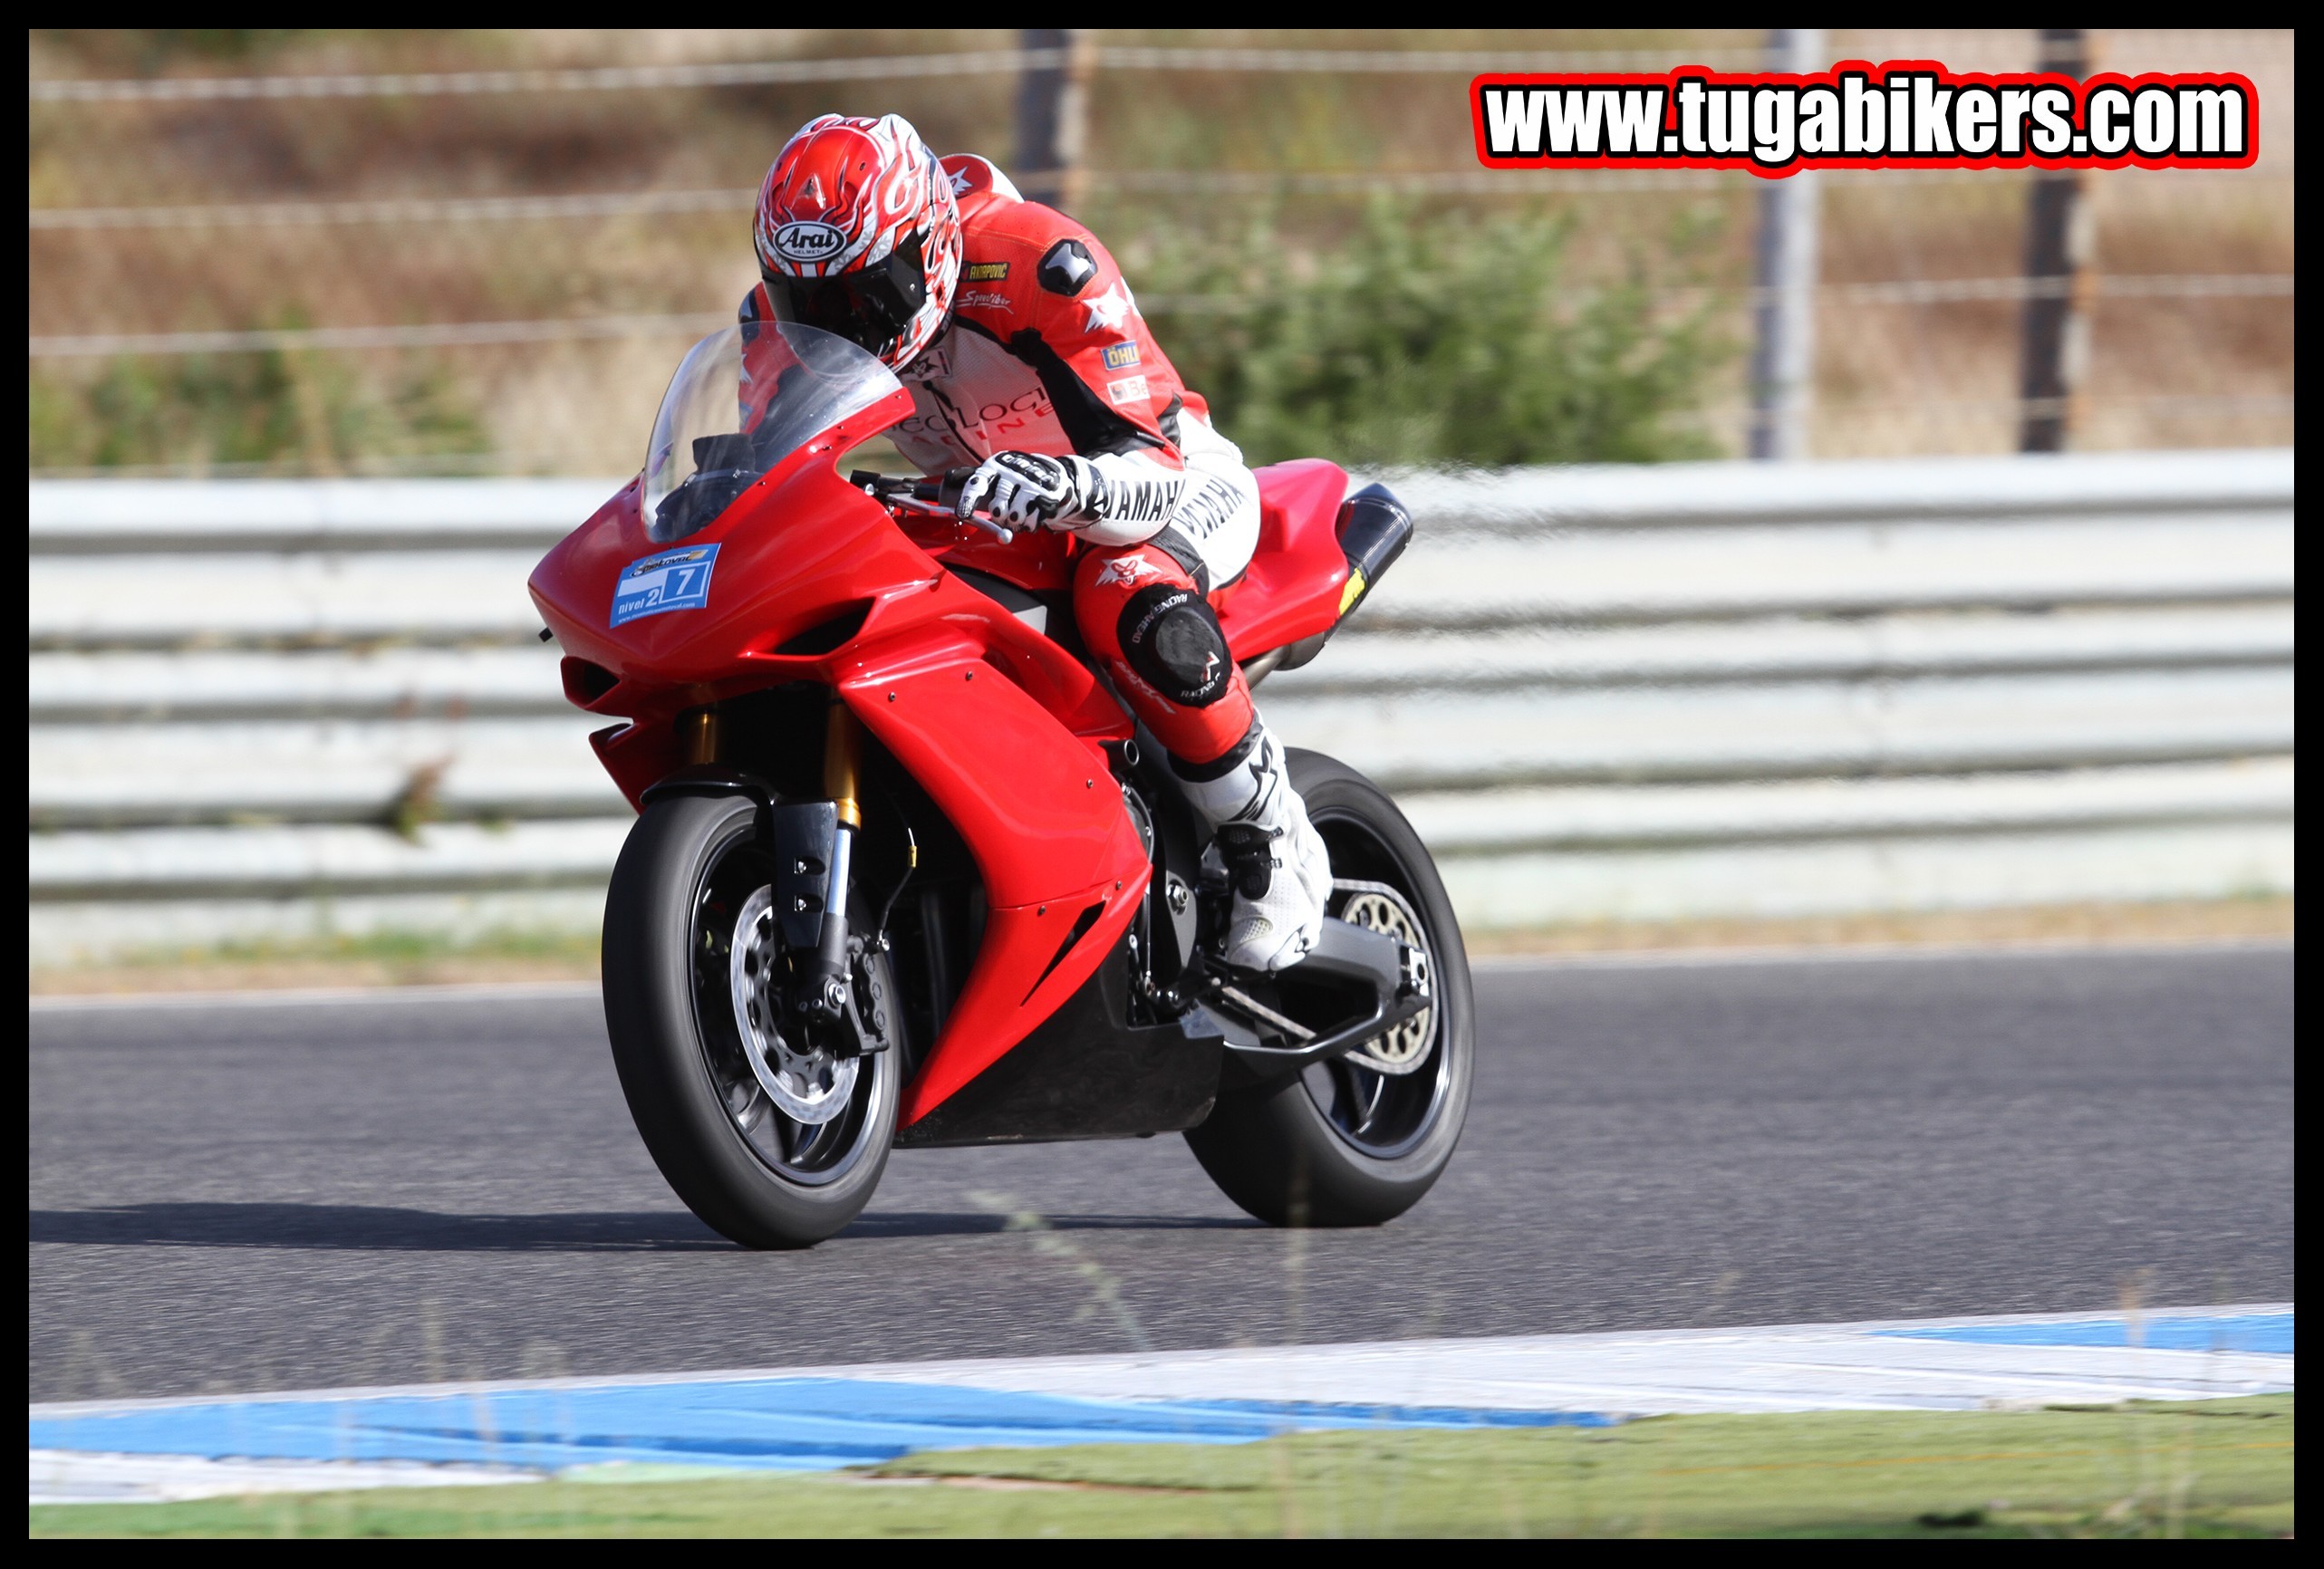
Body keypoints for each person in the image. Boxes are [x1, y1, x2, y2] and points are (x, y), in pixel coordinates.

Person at [744, 111, 1331, 972]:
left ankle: (1272, 839)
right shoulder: (775, 318)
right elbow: (756, 466)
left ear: (927, 245)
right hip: (990, 510)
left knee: (1125, 594)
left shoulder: (1037, 265)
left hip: (1162, 482)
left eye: (866, 292)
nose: (844, 326)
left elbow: (1150, 457)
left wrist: (1066, 484)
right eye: (814, 302)